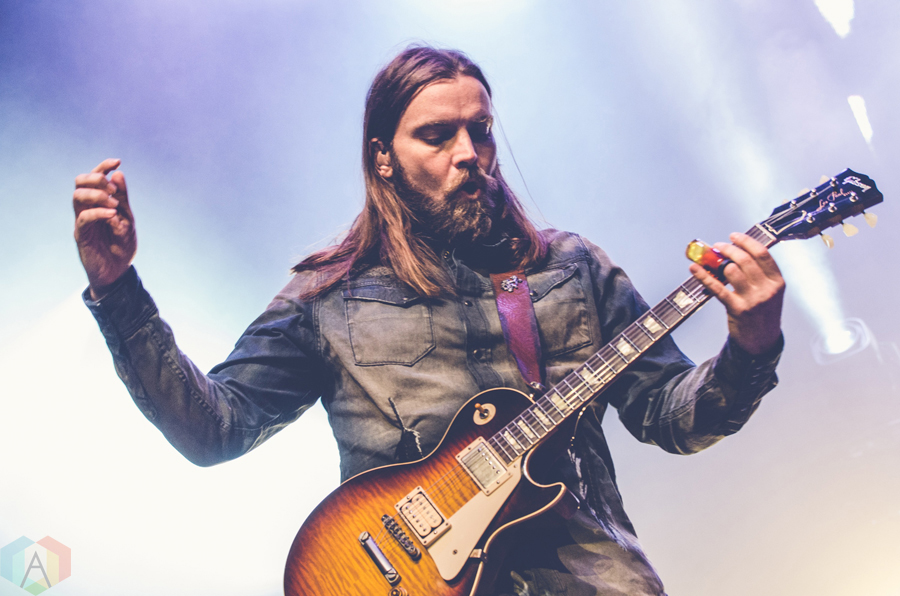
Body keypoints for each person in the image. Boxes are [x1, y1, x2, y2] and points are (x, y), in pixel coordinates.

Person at [73, 46, 785, 595]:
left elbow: (669, 417)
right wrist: (118, 288)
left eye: (480, 131)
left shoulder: (570, 269)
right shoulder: (327, 298)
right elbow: (214, 428)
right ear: (383, 158)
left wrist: (751, 345)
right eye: (438, 135)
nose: (469, 154)